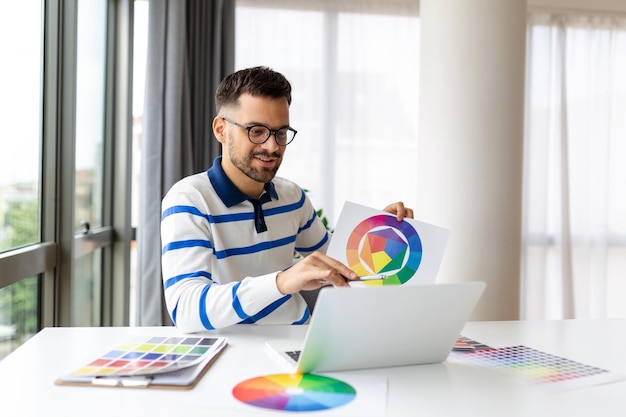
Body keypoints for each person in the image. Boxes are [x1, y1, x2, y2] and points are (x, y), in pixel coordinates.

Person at [161, 66, 414, 333]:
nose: (272, 146)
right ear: (221, 129)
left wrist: (379, 233)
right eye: (256, 131)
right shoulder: (189, 200)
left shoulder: (292, 197)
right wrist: (281, 282)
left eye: (280, 132)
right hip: (229, 350)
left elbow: (338, 265)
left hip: (298, 341)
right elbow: (186, 309)